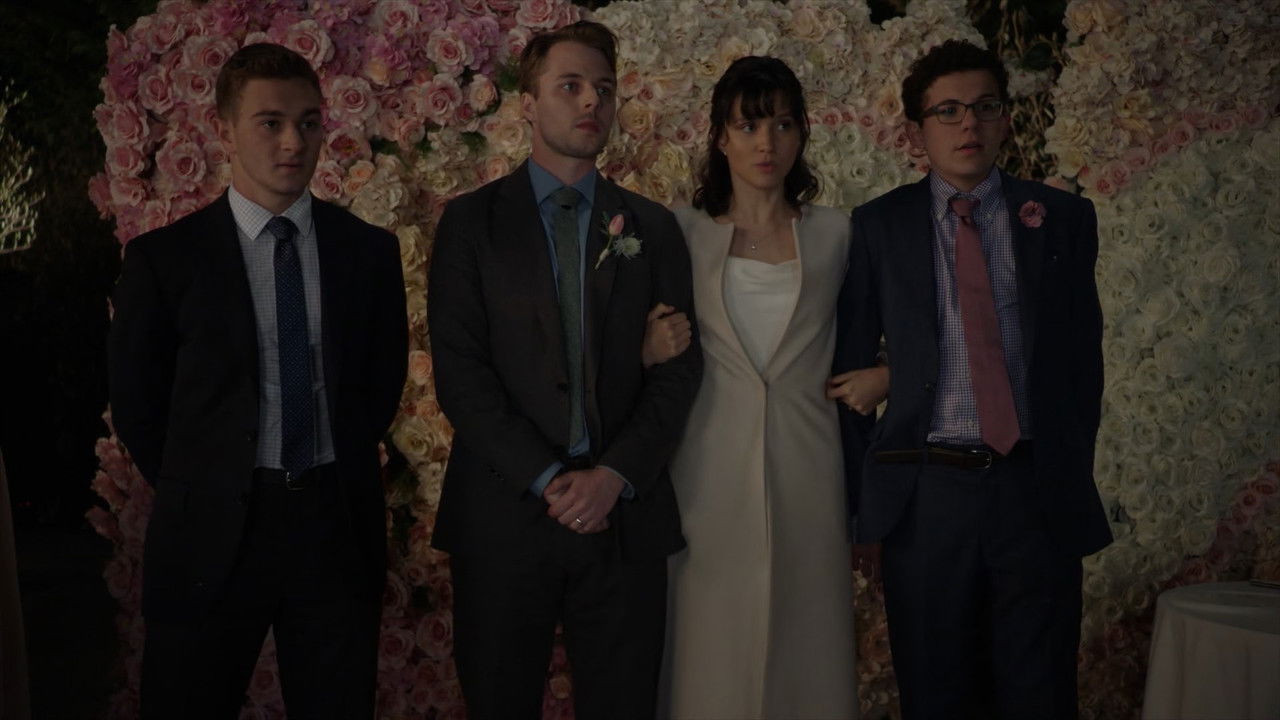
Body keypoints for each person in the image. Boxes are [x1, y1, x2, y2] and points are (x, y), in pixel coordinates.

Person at [108, 43, 408, 719]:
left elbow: (379, 381)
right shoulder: (164, 261)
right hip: (211, 531)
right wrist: (204, 481)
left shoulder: (367, 252)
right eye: (270, 122)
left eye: (308, 122)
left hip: (333, 522)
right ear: (224, 132)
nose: (293, 142)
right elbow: (138, 404)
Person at [427, 21, 702, 720]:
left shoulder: (652, 228)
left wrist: (612, 477)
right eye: (570, 86)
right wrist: (550, 480)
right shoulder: (470, 225)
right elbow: (462, 375)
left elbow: (678, 373)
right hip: (503, 516)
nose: (591, 102)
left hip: (624, 518)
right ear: (527, 103)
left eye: (604, 89)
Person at [834, 39, 1113, 719]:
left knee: (1040, 691)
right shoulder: (877, 227)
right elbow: (846, 374)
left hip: (1034, 490)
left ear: (1006, 118)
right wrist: (864, 506)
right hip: (927, 497)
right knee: (937, 693)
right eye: (949, 111)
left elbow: (1082, 366)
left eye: (985, 107)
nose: (969, 125)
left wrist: (1064, 468)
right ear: (916, 131)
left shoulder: (1061, 219)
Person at [651, 55, 888, 720]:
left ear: (802, 134)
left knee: (806, 640)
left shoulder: (837, 233)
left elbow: (895, 328)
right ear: (720, 137)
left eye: (783, 125)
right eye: (749, 125)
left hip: (810, 466)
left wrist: (889, 374)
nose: (767, 143)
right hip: (703, 469)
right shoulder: (682, 231)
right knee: (707, 643)